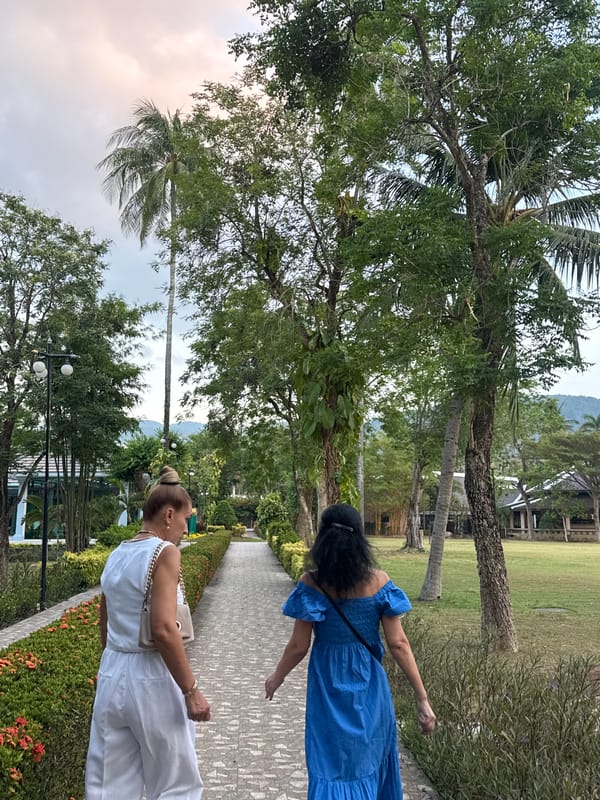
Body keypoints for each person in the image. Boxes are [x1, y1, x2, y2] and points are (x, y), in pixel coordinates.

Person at [265, 502, 436, 799]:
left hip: (327, 687)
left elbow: (298, 646)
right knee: (368, 762)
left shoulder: (312, 583)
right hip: (370, 686)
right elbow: (398, 644)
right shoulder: (379, 582)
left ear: (323, 540)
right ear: (360, 540)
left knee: (330, 764)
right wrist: (422, 698)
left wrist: (277, 677)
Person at [85, 466, 210, 800]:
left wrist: (111, 665)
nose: (185, 528)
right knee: (175, 785)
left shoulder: (117, 553)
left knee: (107, 786)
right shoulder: (165, 553)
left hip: (113, 669)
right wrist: (191, 690)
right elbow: (164, 628)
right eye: (185, 520)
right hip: (152, 676)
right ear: (169, 515)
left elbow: (105, 619)